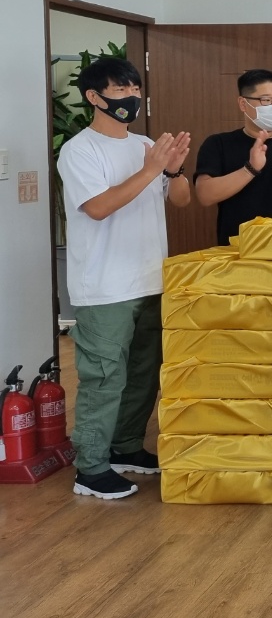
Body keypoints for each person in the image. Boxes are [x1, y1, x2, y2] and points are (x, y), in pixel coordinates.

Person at [57, 56, 193, 499]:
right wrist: (151, 168)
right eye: (120, 90)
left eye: (135, 89)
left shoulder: (145, 145)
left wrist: (172, 169)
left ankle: (126, 446)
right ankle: (91, 467)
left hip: (151, 279)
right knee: (104, 378)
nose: (131, 97)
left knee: (143, 373)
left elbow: (181, 200)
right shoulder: (79, 150)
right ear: (94, 97)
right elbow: (98, 207)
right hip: (104, 287)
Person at [193, 69, 272, 245]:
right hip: (238, 247)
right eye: (266, 100)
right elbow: (205, 195)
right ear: (243, 104)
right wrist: (250, 169)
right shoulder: (218, 144)